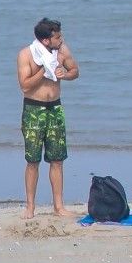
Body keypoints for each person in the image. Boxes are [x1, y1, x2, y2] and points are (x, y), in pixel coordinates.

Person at [18, 18, 79, 217]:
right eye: (57, 37)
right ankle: (30, 207)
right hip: (34, 110)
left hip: (55, 108)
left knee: (57, 159)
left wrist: (64, 74)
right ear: (46, 40)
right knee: (33, 160)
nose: (61, 39)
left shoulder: (62, 51)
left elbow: (75, 71)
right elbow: (25, 85)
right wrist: (45, 70)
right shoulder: (26, 55)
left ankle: (59, 207)